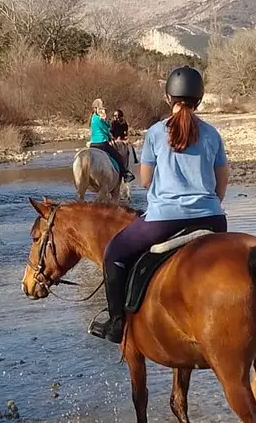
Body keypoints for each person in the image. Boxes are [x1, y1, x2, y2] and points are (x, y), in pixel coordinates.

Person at [89, 67, 228, 342]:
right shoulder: (212, 134)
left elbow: (145, 181)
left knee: (113, 253)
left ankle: (117, 323)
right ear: (199, 99)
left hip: (165, 218)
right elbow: (220, 185)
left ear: (168, 98)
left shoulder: (155, 133)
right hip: (213, 219)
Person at [88, 98, 132, 184]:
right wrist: (110, 137)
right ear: (95, 109)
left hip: (92, 144)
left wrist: (105, 119)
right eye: (100, 109)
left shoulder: (93, 118)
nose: (102, 111)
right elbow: (105, 129)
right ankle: (125, 174)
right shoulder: (99, 119)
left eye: (102, 109)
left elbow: (107, 126)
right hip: (102, 143)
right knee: (117, 156)